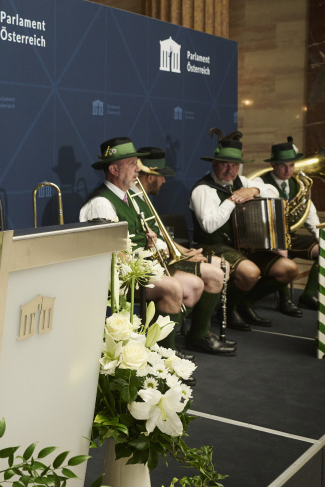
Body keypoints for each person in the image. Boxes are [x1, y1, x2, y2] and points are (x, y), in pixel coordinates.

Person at [80, 138, 205, 372]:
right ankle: (164, 360)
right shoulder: (101, 204)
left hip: (138, 269)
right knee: (174, 288)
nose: (138, 168)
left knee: (194, 283)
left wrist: (151, 243)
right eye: (131, 163)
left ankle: (160, 348)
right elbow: (113, 259)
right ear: (115, 169)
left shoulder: (129, 197)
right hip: (116, 277)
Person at [190, 136, 299, 331]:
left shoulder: (242, 180)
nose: (230, 170)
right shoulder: (203, 189)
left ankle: (244, 303)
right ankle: (226, 309)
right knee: (251, 273)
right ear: (214, 163)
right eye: (225, 165)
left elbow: (273, 192)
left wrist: (255, 190)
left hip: (243, 246)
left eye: (235, 165)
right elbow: (209, 226)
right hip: (212, 247)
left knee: (289, 269)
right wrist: (232, 200)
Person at [135, 147, 234, 356]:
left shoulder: (141, 198)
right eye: (161, 176)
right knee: (215, 273)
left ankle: (195, 333)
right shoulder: (134, 198)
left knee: (221, 265)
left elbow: (162, 236)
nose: (164, 182)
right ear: (150, 176)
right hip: (154, 262)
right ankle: (176, 336)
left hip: (166, 256)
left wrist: (186, 251)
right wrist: (182, 254)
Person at [259, 141, 319, 312]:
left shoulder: (297, 183)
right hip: (268, 236)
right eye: (283, 166)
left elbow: (309, 210)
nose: (288, 170)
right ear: (273, 165)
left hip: (290, 235)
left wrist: (318, 234)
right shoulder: (260, 182)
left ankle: (308, 295)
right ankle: (285, 300)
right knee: (282, 257)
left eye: (291, 165)